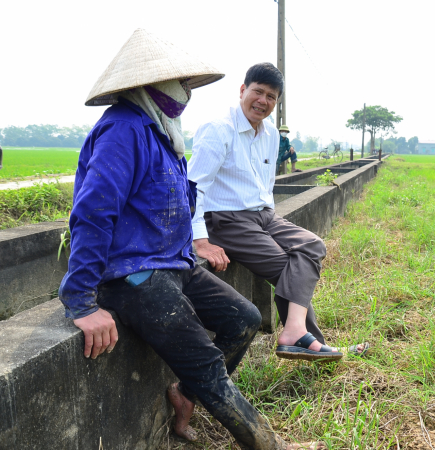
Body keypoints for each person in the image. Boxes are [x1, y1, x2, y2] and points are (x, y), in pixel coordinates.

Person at [59, 29, 323, 450]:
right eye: (181, 83)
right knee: (206, 364)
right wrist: (80, 300)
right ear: (151, 84)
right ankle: (271, 444)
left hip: (172, 264)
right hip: (133, 273)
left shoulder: (161, 130)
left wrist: (191, 250)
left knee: (245, 319)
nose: (187, 92)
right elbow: (92, 214)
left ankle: (186, 394)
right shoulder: (122, 131)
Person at [188, 63, 368, 362]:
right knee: (289, 267)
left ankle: (296, 333)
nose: (263, 101)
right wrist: (200, 241)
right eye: (257, 92)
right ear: (242, 90)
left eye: (271, 96)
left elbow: (264, 182)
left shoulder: (271, 133)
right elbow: (193, 187)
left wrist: (269, 215)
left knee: (312, 245)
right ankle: (306, 340)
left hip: (263, 214)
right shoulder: (218, 129)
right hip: (227, 219)